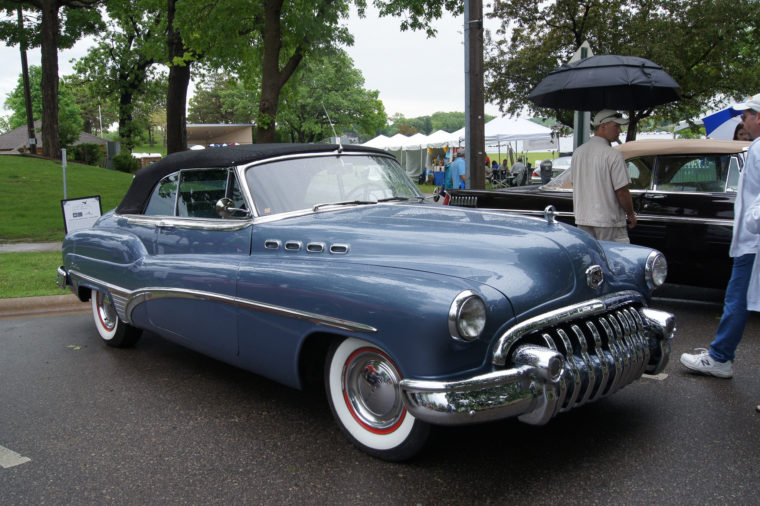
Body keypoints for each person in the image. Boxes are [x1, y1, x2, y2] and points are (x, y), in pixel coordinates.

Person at [680, 93, 760, 378]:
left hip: (754, 242)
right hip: (751, 240)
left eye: (746, 114)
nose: (742, 120)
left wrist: (751, 220)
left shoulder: (759, 149)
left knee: (737, 297)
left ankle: (720, 356)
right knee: (737, 297)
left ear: (759, 117)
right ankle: (720, 353)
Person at [570, 109, 636, 243]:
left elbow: (574, 182)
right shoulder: (613, 155)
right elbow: (622, 191)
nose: (619, 131)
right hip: (609, 221)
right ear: (603, 126)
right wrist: (631, 214)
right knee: (614, 259)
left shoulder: (578, 153)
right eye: (616, 126)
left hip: (583, 219)